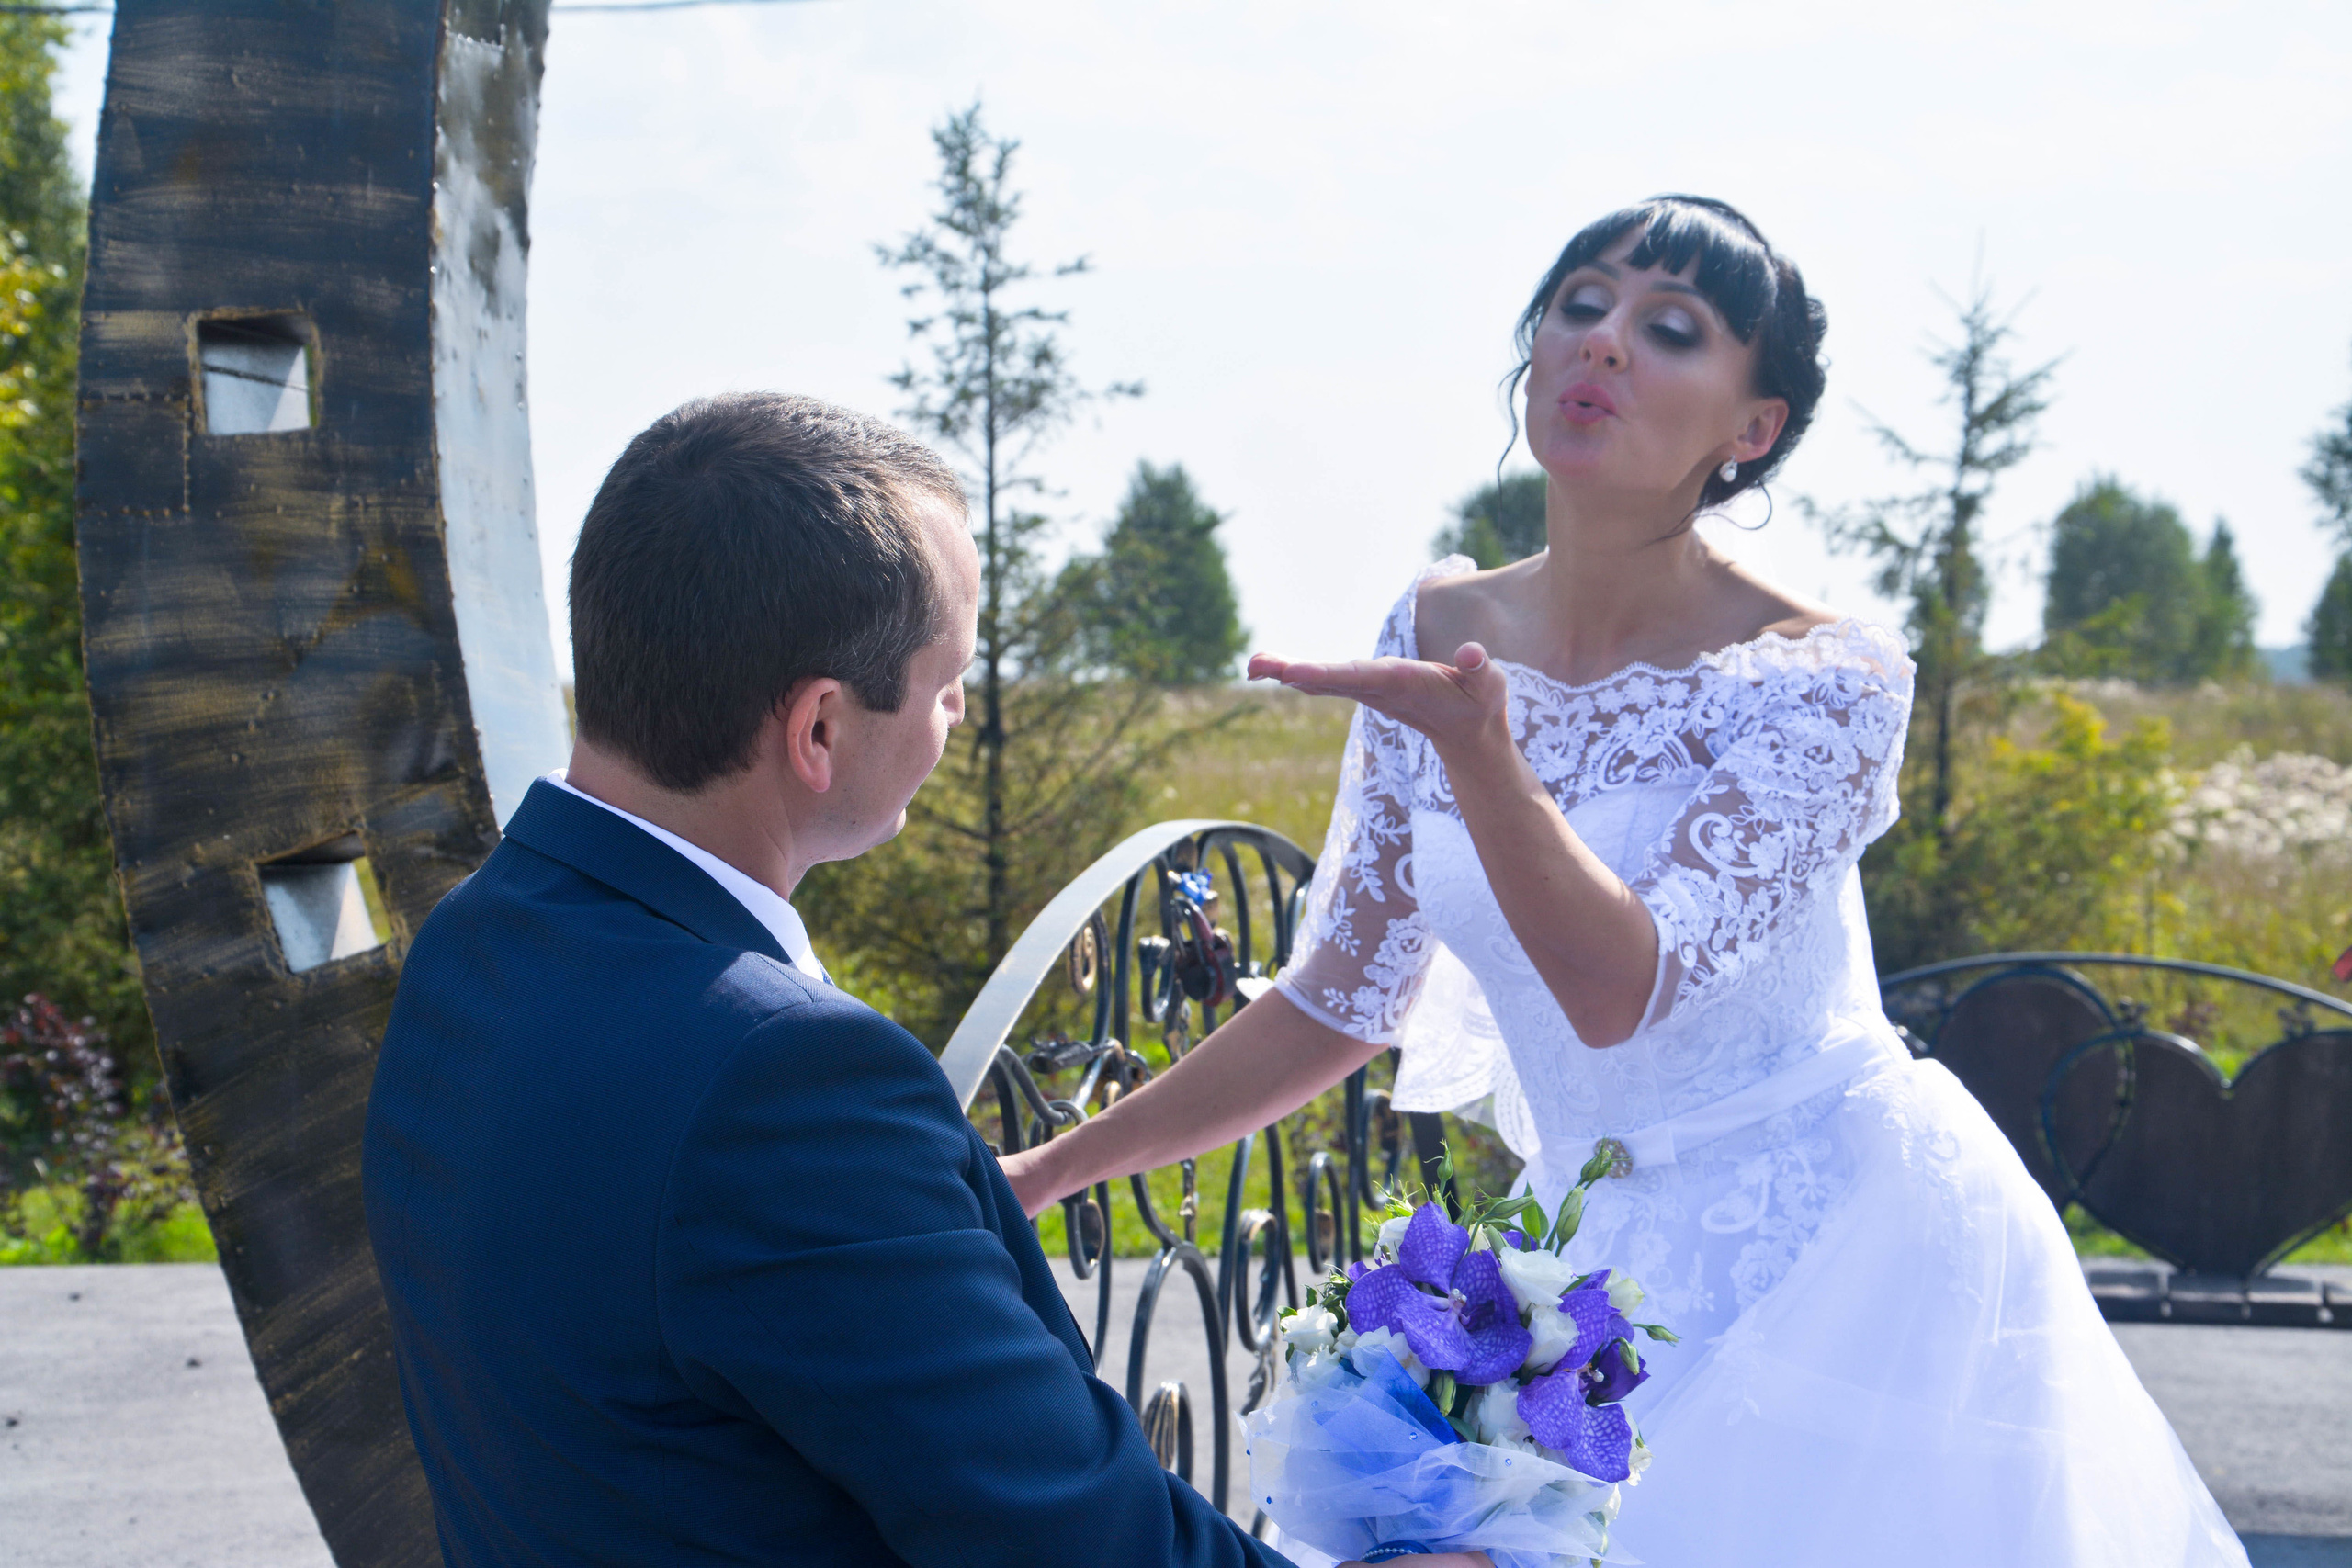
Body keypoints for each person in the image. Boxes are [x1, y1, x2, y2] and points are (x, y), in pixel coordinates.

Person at [1003, 199, 2249, 1565]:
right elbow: (1346, 998)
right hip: (1586, 1254)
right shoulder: (1434, 629)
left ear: (1751, 427)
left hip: (1846, 1253)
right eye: (1580, 303)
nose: (1604, 341)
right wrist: (1057, 1165)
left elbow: (1620, 991)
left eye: (1671, 329)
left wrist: (1484, 752)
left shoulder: (1825, 679)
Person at [364, 393, 1354, 1567]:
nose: (959, 716)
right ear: (819, 729)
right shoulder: (780, 1079)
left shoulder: (479, 936)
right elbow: (1075, 1537)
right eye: (946, 683)